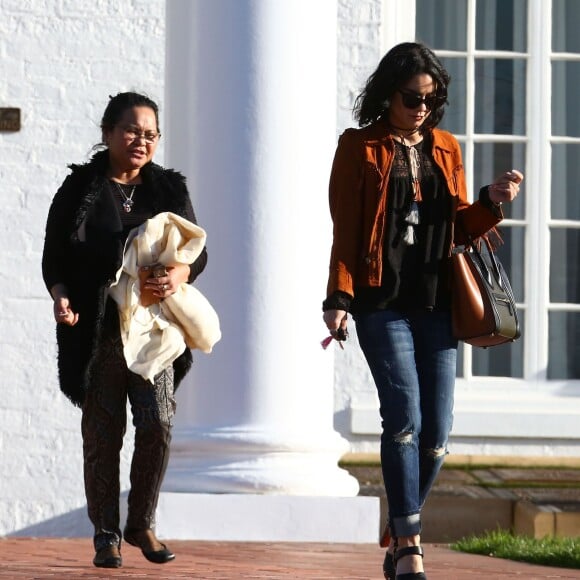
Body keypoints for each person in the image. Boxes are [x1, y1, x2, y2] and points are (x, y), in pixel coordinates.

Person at [322, 43, 523, 580]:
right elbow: (345, 228)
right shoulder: (358, 147)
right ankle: (410, 540)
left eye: (431, 102)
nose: (421, 110)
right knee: (404, 417)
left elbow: (459, 224)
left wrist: (491, 201)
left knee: (437, 433)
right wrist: (338, 298)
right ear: (389, 94)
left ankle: (398, 525)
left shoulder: (445, 147)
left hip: (438, 303)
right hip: (380, 303)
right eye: (413, 99)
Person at [42, 92, 208, 569]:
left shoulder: (169, 189)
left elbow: (198, 252)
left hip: (154, 329)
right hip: (98, 332)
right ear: (108, 133)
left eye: (151, 134)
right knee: (102, 434)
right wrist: (61, 295)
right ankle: (106, 534)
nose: (142, 140)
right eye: (133, 130)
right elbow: (54, 257)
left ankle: (141, 523)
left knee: (158, 423)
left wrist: (180, 275)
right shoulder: (79, 188)